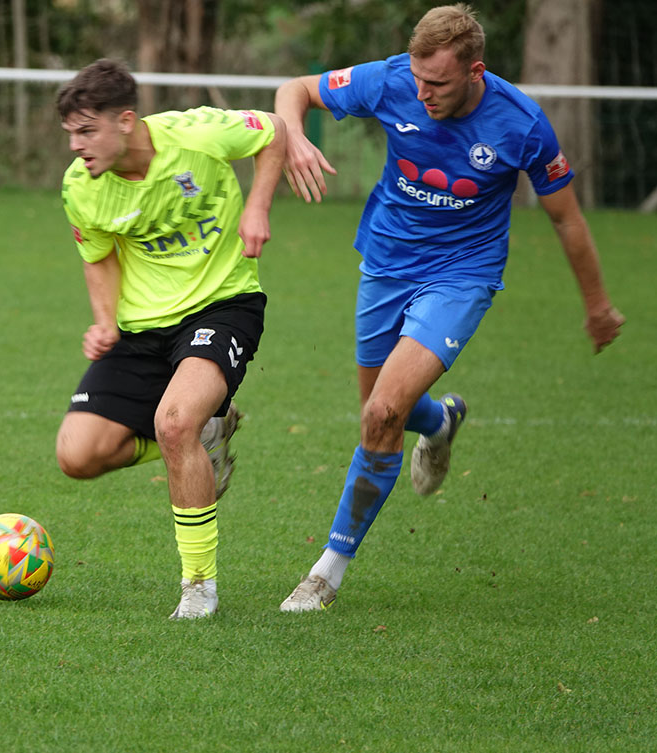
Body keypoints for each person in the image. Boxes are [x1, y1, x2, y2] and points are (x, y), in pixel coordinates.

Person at [272, 4, 625, 612]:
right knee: (377, 416)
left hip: (462, 276)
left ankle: (327, 572)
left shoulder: (521, 125)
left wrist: (597, 306)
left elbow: (566, 219)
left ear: (474, 72)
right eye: (417, 78)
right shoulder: (389, 80)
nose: (422, 92)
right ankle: (439, 422)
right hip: (385, 264)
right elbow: (294, 90)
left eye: (436, 83)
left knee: (383, 411)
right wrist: (295, 135)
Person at [54, 59, 287, 619]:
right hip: (141, 329)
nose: (76, 146)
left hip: (223, 306)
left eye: (87, 131)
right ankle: (203, 436)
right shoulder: (82, 187)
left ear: (126, 121)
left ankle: (198, 587)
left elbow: (275, 132)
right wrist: (105, 320)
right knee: (77, 455)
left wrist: (257, 205)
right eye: (70, 134)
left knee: (174, 421)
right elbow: (99, 255)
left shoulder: (198, 134)